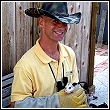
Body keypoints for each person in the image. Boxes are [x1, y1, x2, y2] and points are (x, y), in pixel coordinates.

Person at [10, 2, 88, 108]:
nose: (61, 27)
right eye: (55, 21)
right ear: (41, 22)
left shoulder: (69, 54)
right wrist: (56, 102)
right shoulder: (25, 65)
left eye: (64, 22)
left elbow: (75, 89)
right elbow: (16, 105)